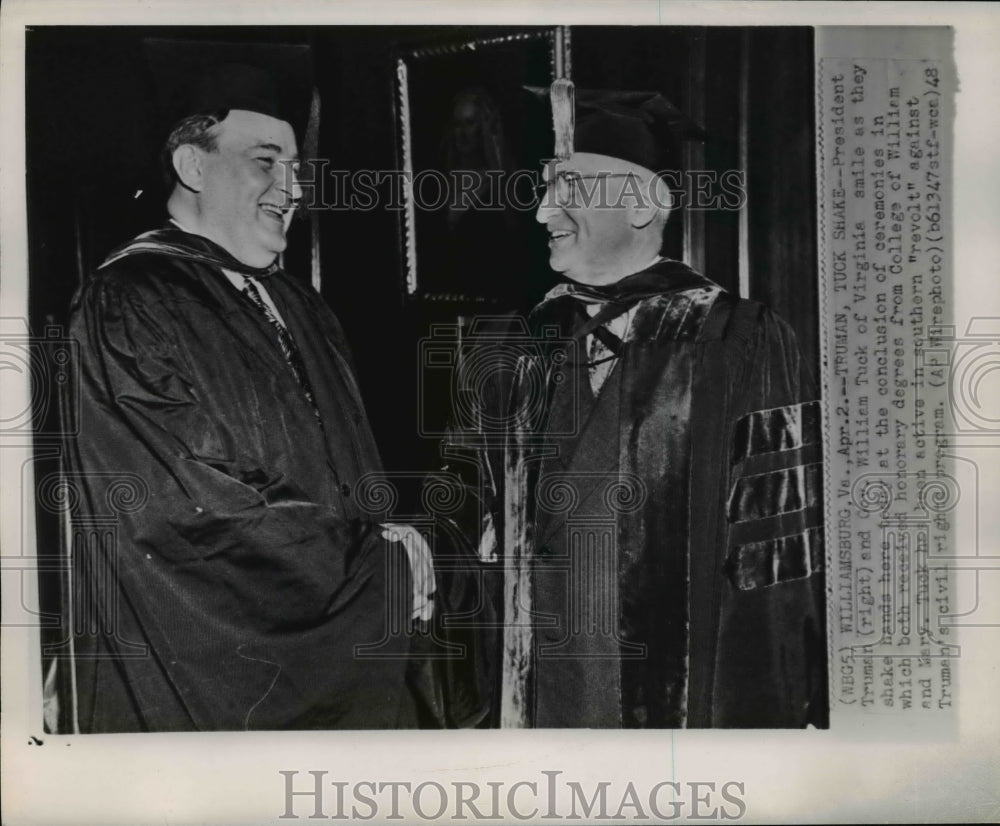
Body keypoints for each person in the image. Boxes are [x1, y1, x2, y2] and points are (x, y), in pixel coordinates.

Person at [58, 53, 454, 731]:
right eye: (266, 162)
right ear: (193, 166)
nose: (293, 187)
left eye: (297, 167)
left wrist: (384, 549)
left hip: (336, 644)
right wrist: (370, 563)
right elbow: (180, 503)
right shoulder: (130, 300)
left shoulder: (300, 305)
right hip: (206, 664)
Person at [446, 81, 828, 728]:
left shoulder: (736, 338)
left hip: (674, 698)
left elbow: (776, 556)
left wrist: (770, 709)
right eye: (545, 190)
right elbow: (468, 518)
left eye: (567, 190)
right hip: (531, 694)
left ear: (643, 206)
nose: (542, 212)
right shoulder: (513, 343)